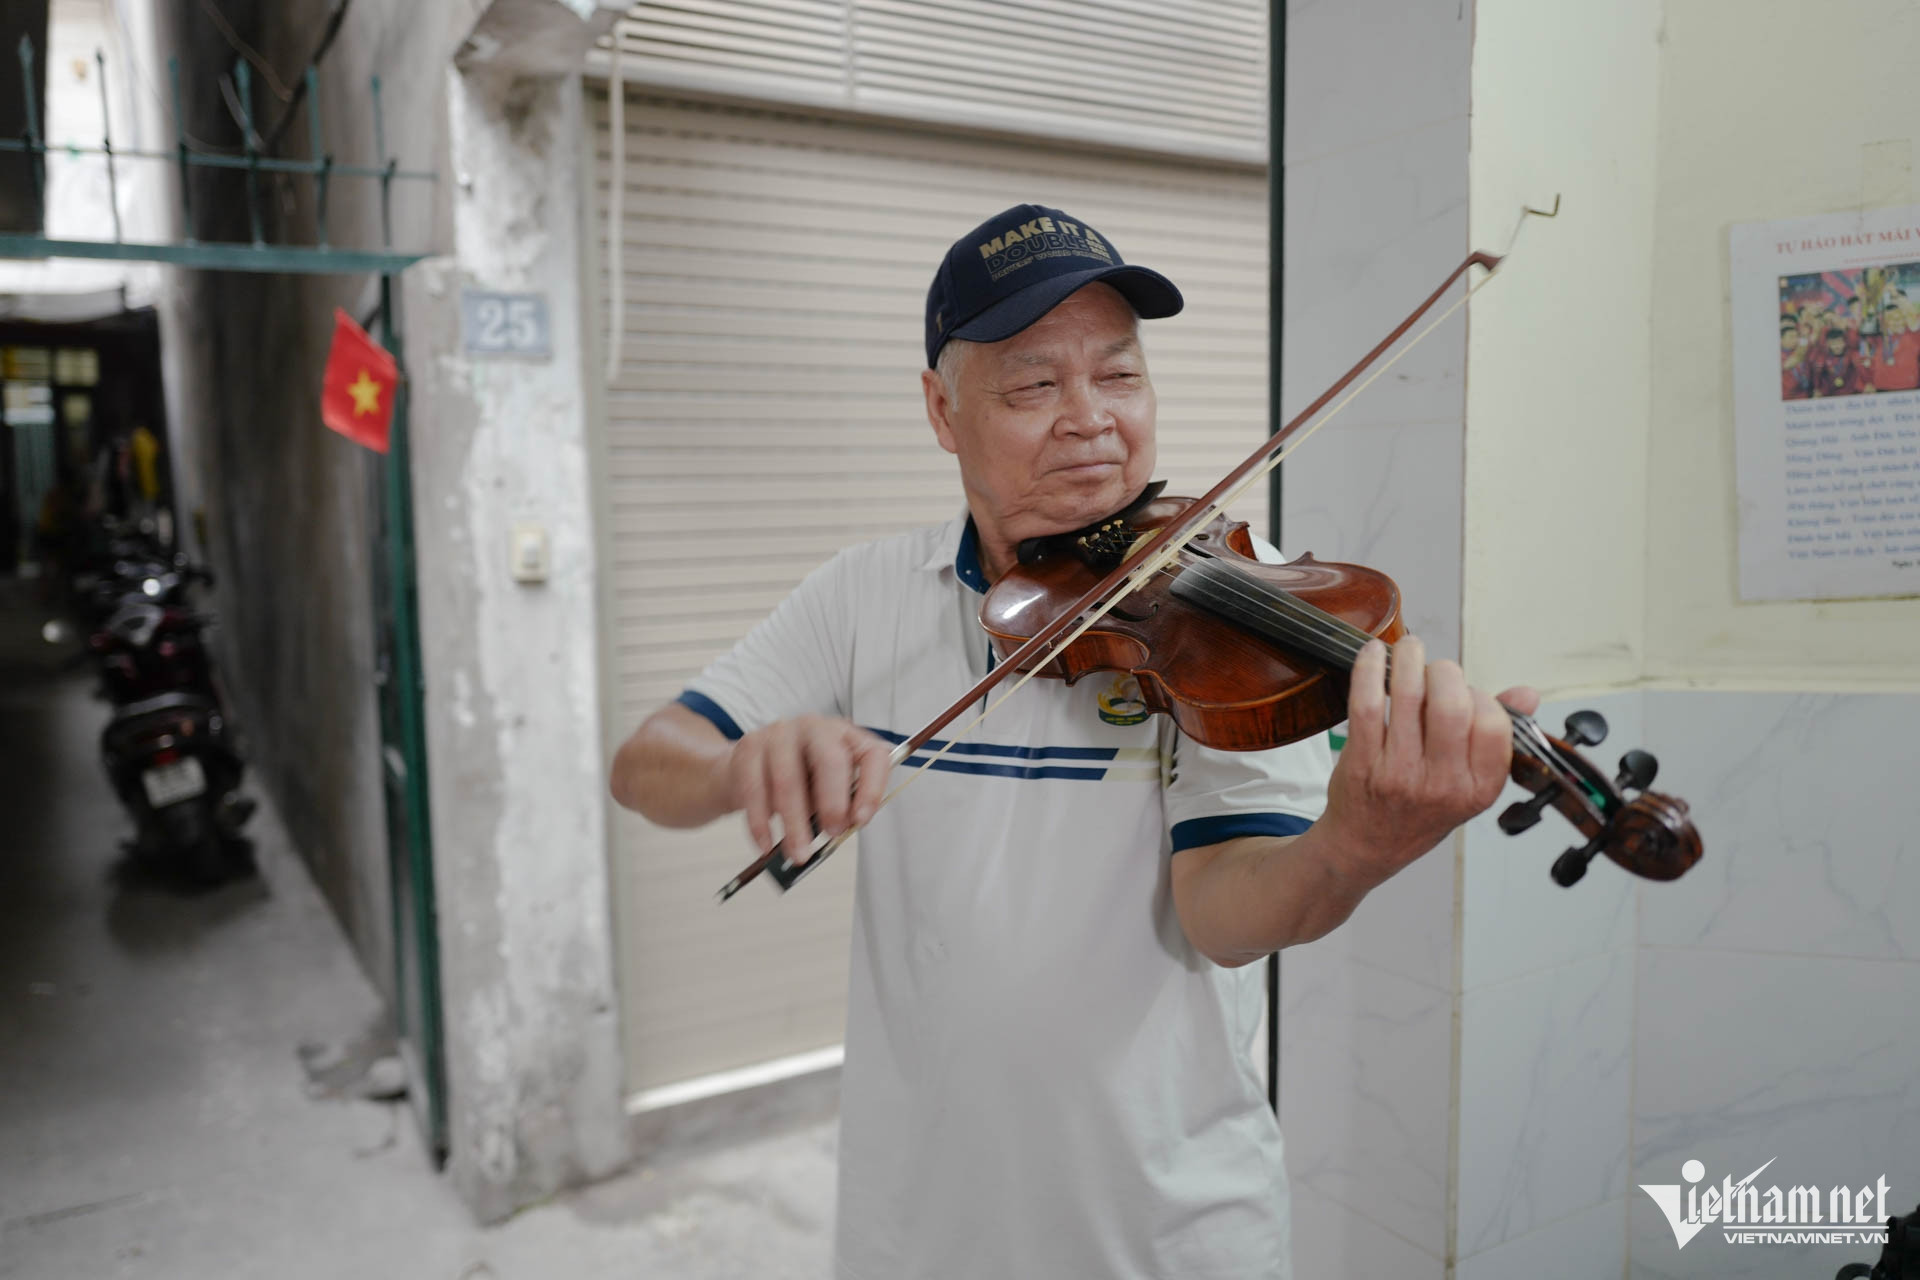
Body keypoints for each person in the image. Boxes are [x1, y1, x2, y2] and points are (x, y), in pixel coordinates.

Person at [609, 203, 1539, 1280]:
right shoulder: (863, 595)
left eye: (1120, 374)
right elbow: (647, 763)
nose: (1091, 420)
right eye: (1034, 386)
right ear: (942, 410)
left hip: (1166, 1233)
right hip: (917, 1224)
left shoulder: (1232, 609)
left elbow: (1226, 911)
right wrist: (736, 764)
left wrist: (1354, 847)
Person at [1870, 296, 1920, 391]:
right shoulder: (1878, 337)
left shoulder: (1914, 335)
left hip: (1908, 388)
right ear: (1886, 321)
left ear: (1905, 319)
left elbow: (1912, 314)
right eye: (1891, 319)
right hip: (1882, 388)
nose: (1896, 322)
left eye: (1899, 318)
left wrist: (1895, 294)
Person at [1812, 323, 1869, 396]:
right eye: (1833, 343)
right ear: (1828, 344)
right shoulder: (1823, 358)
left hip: (1851, 393)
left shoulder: (1851, 354)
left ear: (1844, 342)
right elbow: (1817, 376)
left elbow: (1861, 369)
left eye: (1839, 342)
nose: (1837, 346)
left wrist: (1866, 384)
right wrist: (1817, 389)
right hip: (1831, 394)